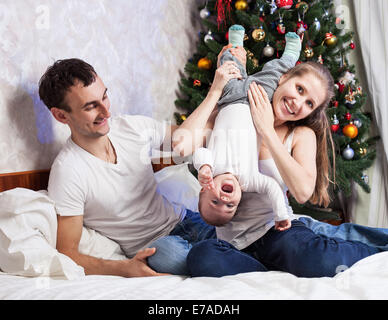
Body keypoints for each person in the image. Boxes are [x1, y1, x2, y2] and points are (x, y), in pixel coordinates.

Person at [173, 43, 385, 278]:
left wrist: (268, 132)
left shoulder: (301, 136)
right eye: (300, 89)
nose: (298, 103)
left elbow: (303, 192)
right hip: (233, 243)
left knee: (318, 258)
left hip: (278, 233)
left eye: (309, 104)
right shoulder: (230, 116)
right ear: (283, 78)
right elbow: (180, 147)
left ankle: (376, 254)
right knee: (202, 257)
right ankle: (269, 274)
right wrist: (215, 92)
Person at [38, 58, 243, 277]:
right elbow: (67, 253)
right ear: (61, 115)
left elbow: (187, 137)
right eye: (90, 106)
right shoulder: (68, 171)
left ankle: (232, 256)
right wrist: (125, 268)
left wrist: (219, 89)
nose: (106, 112)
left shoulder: (130, 127)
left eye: (104, 97)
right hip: (157, 246)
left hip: (187, 221)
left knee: (244, 231)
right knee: (174, 254)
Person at [193, 26, 302, 230]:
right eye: (230, 205)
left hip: (229, 98)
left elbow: (200, 153)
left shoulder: (212, 169)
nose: (224, 199)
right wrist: (280, 215)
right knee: (275, 73)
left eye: (214, 201)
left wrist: (203, 169)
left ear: (203, 190)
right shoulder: (249, 181)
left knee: (229, 64)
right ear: (239, 199)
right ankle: (291, 54)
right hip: (256, 100)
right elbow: (271, 187)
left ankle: (236, 42)